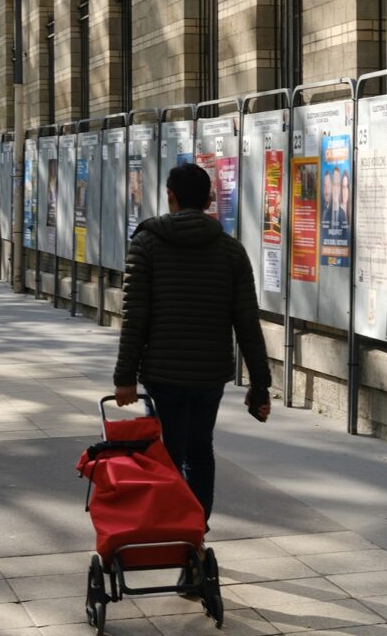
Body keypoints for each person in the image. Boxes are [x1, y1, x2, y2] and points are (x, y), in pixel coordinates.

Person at [113, 163, 272, 526]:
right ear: (209, 200)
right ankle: (196, 535)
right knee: (200, 451)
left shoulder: (147, 243)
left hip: (162, 374)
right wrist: (260, 385)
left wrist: (125, 377)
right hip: (208, 375)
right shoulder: (231, 251)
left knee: (167, 454)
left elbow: (135, 317)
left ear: (170, 196)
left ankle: (173, 531)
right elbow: (247, 322)